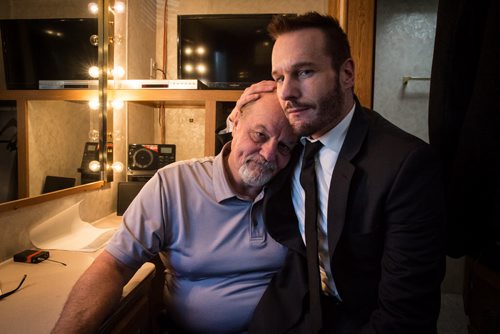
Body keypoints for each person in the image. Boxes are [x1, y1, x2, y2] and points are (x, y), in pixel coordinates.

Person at [231, 12, 446, 334]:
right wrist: (237, 121)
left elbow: (406, 314)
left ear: (346, 73)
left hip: (363, 317)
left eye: (304, 71)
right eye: (279, 78)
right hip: (293, 306)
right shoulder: (287, 143)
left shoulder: (407, 166)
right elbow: (246, 161)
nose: (287, 93)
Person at [51, 91, 298, 334]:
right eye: (259, 135)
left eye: (284, 147)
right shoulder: (173, 184)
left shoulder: (297, 188)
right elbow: (114, 265)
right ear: (234, 124)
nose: (268, 154)